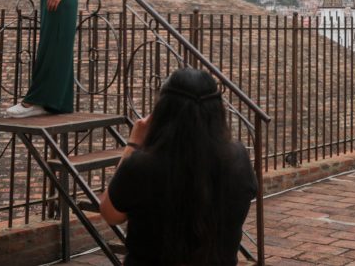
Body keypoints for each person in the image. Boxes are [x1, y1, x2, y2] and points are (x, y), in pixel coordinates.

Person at [99, 68, 258, 266]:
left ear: (163, 110)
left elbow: (110, 214)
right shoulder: (237, 157)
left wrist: (133, 144)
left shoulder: (142, 165)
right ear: (217, 110)